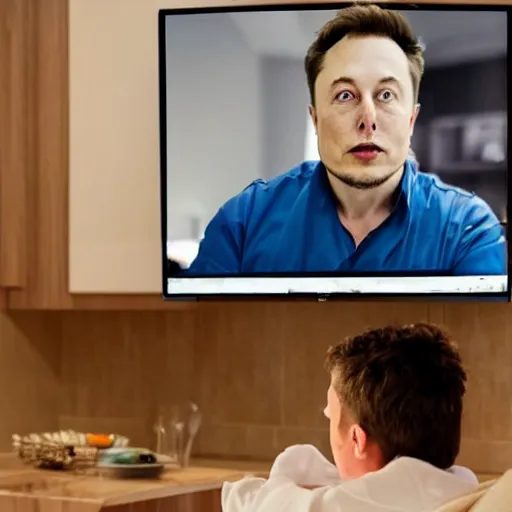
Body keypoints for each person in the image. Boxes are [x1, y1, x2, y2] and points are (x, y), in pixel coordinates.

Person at [182, 4, 506, 277]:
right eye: (345, 95)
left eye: (386, 94)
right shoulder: (243, 223)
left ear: (411, 120)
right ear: (315, 120)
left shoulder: (468, 229)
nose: (368, 118)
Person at [221, 323, 479, 511]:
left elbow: (255, 503)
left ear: (357, 439)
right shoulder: (468, 489)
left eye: (331, 417)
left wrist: (285, 474)